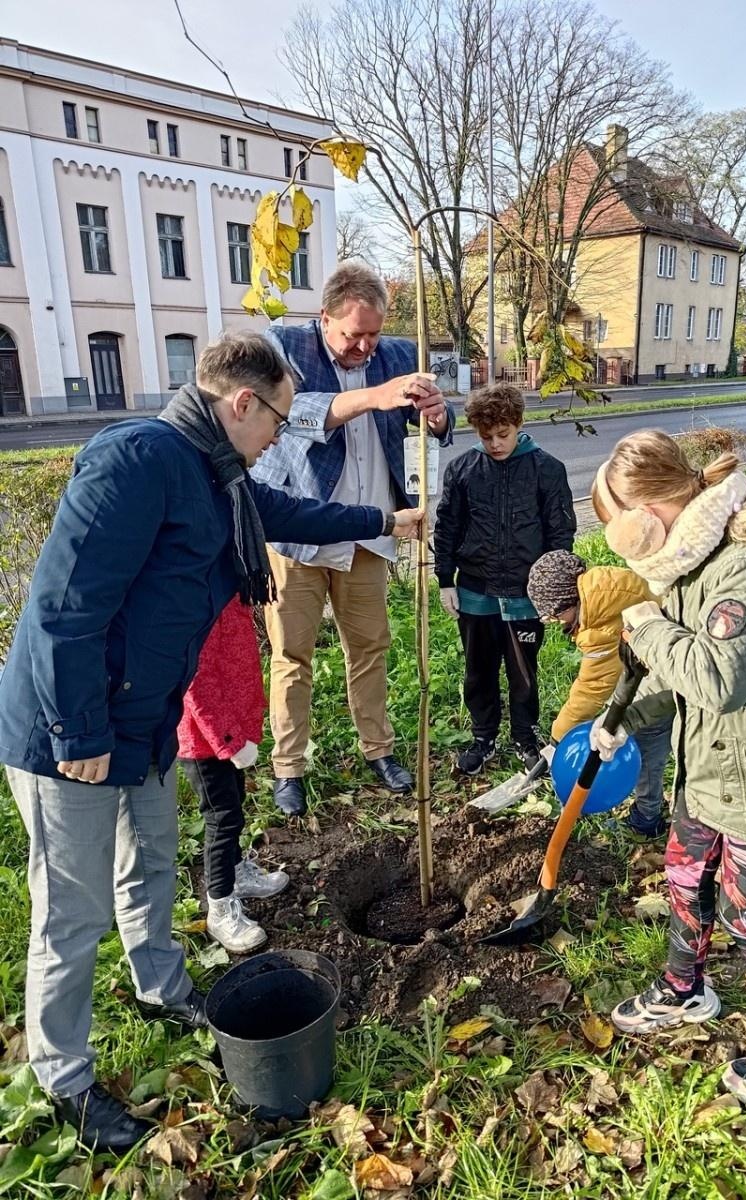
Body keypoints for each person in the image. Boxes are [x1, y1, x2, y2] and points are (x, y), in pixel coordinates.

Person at [0, 331, 422, 1152]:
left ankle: (159, 984)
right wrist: (78, 730)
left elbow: (293, 511)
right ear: (241, 403)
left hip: (147, 718)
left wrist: (384, 519)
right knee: (70, 910)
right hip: (72, 730)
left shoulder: (221, 474)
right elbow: (63, 607)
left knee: (152, 860)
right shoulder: (136, 462)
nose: (284, 434)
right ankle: (67, 1081)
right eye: (278, 418)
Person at [587, 430, 746, 1120]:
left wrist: (644, 628)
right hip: (709, 772)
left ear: (645, 516)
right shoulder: (691, 565)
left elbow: (717, 677)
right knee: (683, 879)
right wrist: (621, 717)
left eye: (616, 524)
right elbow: (676, 676)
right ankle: (683, 989)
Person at [252, 261, 454, 813]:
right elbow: (295, 412)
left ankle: (379, 748)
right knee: (292, 654)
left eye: (373, 333)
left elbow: (438, 424)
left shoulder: (395, 354)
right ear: (325, 318)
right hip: (299, 537)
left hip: (370, 531)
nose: (365, 345)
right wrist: (375, 395)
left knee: (370, 648)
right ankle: (289, 767)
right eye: (353, 334)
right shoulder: (286, 345)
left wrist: (437, 416)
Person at [433, 383, 575, 775]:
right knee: (478, 669)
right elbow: (447, 528)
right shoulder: (463, 470)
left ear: (518, 425)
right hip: (475, 590)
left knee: (523, 671)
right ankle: (483, 737)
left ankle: (525, 737)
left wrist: (557, 592)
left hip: (526, 595)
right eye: (486, 436)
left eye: (503, 435)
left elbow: (560, 535)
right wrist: (445, 578)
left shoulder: (547, 469)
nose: (495, 444)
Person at [526, 549, 674, 838]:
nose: (552, 620)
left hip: (661, 688)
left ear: (568, 600)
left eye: (554, 613)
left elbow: (591, 689)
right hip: (653, 674)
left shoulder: (601, 622)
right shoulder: (601, 590)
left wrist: (557, 737)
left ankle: (647, 819)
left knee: (647, 750)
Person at [177, 595, 289, 954]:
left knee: (234, 805)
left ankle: (236, 871)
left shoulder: (228, 595)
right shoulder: (195, 606)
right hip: (203, 740)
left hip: (230, 731)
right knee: (222, 819)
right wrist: (228, 739)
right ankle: (220, 905)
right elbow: (196, 680)